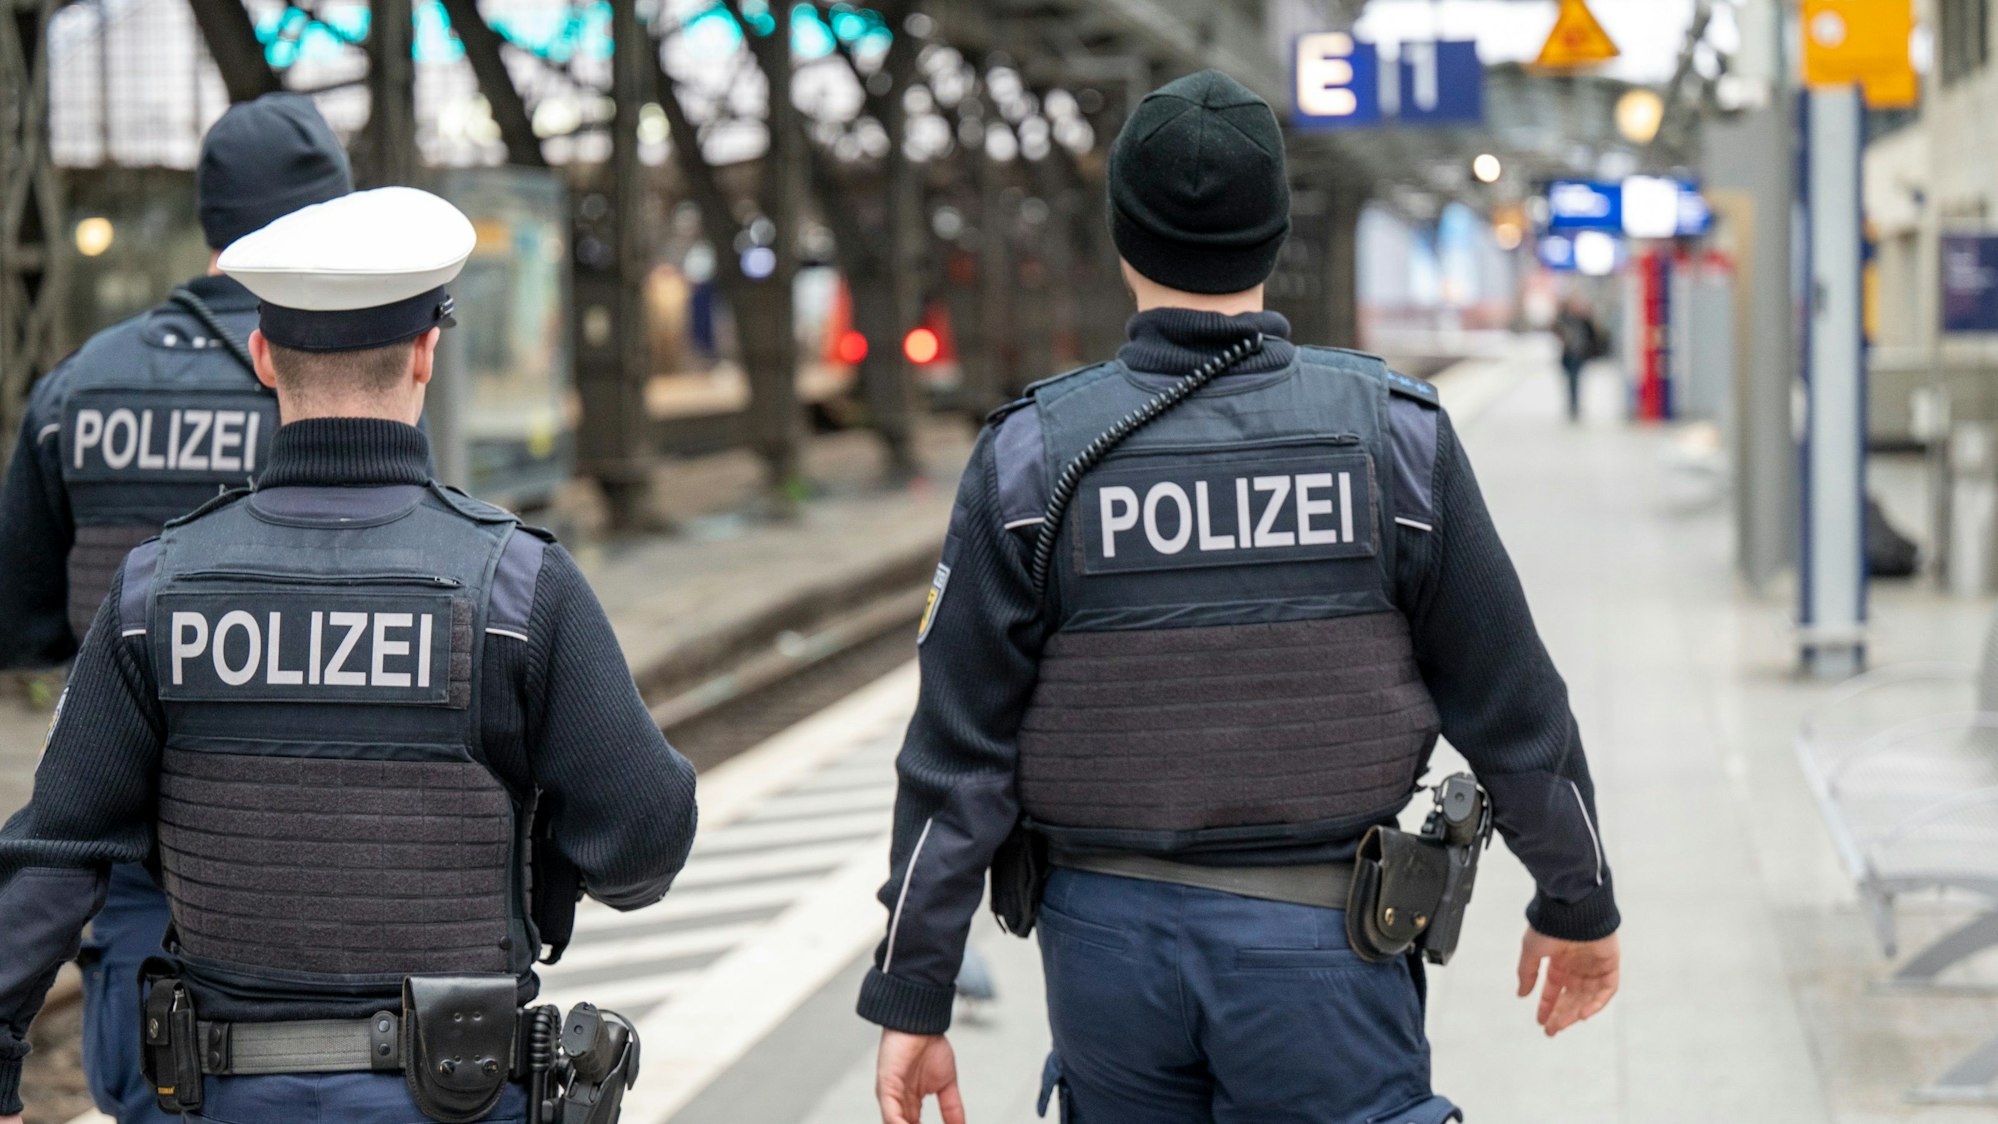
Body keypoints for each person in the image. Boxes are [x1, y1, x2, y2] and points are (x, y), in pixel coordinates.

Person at [859, 70, 1621, 1124]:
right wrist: (1577, 900)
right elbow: (1515, 708)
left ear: (1125, 236)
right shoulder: (1394, 441)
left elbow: (957, 758)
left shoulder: (1032, 461)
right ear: (1274, 232)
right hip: (1326, 956)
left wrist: (914, 988)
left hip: (1106, 958)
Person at [0, 186, 699, 1124]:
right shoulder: (515, 587)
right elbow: (644, 840)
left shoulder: (154, 591)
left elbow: (54, 851)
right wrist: (548, 864)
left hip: (217, 1098)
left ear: (261, 357)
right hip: (457, 1096)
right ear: (426, 352)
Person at [0, 92, 352, 1124]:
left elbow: (21, 622)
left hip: (133, 866)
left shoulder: (77, 388)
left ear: (212, 219)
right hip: (320, 856)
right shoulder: (337, 380)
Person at [1554, 296, 1601, 422]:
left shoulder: (1584, 320)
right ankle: (1572, 404)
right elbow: (1555, 327)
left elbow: (1594, 334)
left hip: (1579, 355)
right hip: (1568, 355)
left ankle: (1575, 405)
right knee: (1570, 381)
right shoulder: (1565, 319)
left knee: (1576, 380)